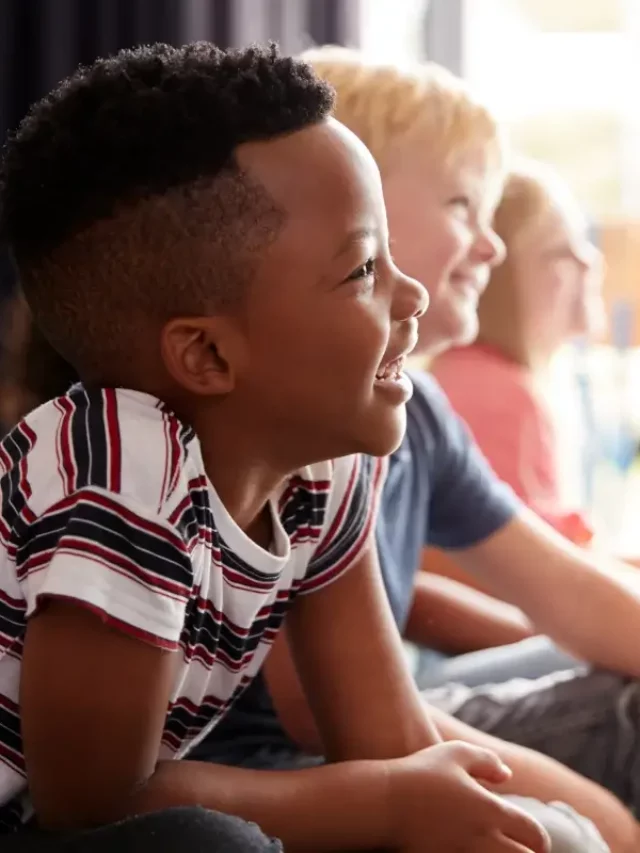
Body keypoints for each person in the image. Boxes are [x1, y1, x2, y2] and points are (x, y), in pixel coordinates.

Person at [0, 42, 554, 853]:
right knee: (206, 843)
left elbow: (388, 738)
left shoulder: (323, 468)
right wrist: (389, 805)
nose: (413, 295)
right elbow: (89, 802)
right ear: (209, 356)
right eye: (364, 268)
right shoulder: (120, 465)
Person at [192, 48, 640, 853]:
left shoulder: (417, 408)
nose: (492, 247)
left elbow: (567, 592)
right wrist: (606, 825)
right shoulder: (307, 419)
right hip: (295, 756)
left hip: (382, 706)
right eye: (466, 205)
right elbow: (335, 713)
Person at [432, 159, 604, 546]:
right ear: (498, 277)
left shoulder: (470, 371)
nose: (588, 261)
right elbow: (533, 565)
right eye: (561, 251)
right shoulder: (504, 395)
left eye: (583, 242)